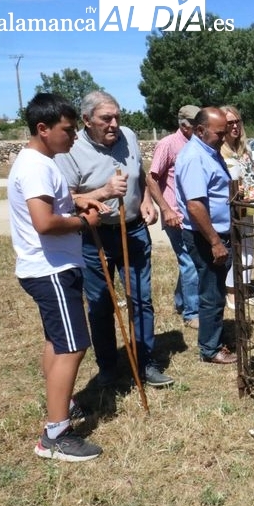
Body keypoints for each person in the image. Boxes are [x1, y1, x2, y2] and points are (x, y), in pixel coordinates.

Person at [8, 93, 107, 461]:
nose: (74, 136)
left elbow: (51, 203)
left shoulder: (40, 162)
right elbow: (44, 222)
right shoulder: (36, 166)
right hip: (50, 269)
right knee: (72, 346)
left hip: (50, 267)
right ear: (43, 128)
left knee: (56, 340)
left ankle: (60, 405)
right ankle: (55, 434)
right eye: (68, 129)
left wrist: (77, 200)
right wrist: (84, 221)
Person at [55, 90, 174, 388]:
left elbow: (140, 175)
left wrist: (146, 201)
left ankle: (145, 363)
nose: (114, 124)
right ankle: (108, 367)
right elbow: (68, 199)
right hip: (94, 235)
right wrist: (104, 192)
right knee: (100, 305)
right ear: (86, 120)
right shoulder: (71, 149)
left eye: (117, 117)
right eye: (106, 118)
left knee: (141, 300)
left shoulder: (128, 136)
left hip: (133, 230)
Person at [175, 107, 237, 364]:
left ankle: (214, 337)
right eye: (219, 133)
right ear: (200, 130)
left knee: (216, 288)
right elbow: (195, 205)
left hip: (218, 233)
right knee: (211, 292)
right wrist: (214, 241)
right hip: (207, 236)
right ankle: (210, 349)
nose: (224, 137)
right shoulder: (194, 158)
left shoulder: (208, 152)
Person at [146, 104, 200, 329]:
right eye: (197, 125)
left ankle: (181, 301)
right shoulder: (168, 144)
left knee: (190, 260)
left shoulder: (198, 144)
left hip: (194, 214)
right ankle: (192, 313)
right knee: (190, 261)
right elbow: (151, 178)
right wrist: (166, 209)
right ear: (185, 126)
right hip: (175, 215)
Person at [219, 105, 254, 309]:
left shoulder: (245, 149)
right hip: (231, 208)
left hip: (248, 206)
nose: (235, 126)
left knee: (248, 248)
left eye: (237, 122)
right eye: (230, 123)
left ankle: (244, 289)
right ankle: (232, 294)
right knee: (235, 249)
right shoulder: (219, 151)